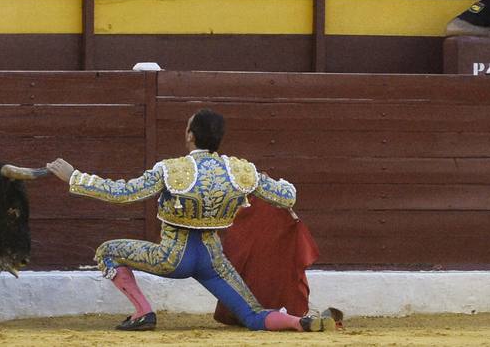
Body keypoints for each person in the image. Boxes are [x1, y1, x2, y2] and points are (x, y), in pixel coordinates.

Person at [45, 109, 333, 333]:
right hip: (212, 261)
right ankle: (298, 322)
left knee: (106, 251)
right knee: (252, 315)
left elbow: (124, 193)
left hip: (171, 257)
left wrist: (75, 177)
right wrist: (259, 179)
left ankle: (143, 312)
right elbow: (288, 196)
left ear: (190, 136)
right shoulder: (239, 171)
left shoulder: (171, 169)